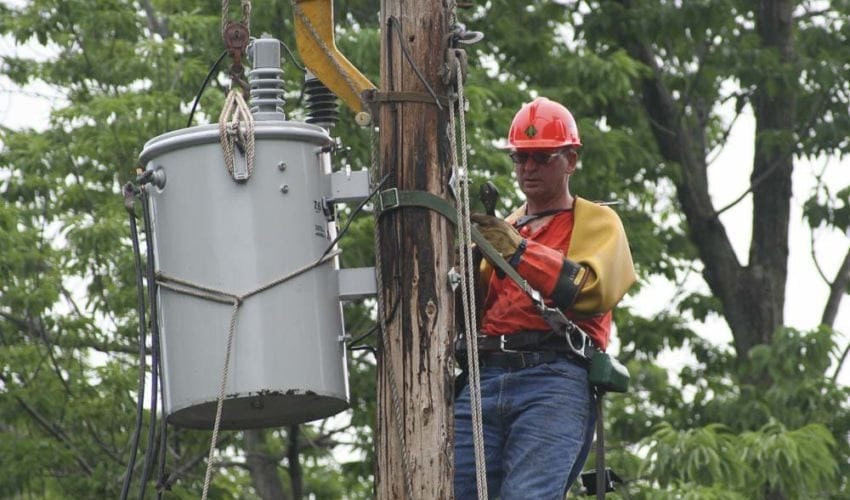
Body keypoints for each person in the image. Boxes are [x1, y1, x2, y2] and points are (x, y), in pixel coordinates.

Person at [453, 96, 636, 499]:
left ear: (570, 160)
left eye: (542, 157)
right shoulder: (507, 230)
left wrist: (518, 251)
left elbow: (589, 290)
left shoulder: (595, 221)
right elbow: (469, 311)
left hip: (553, 377)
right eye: (520, 158)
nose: (527, 168)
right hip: (485, 376)